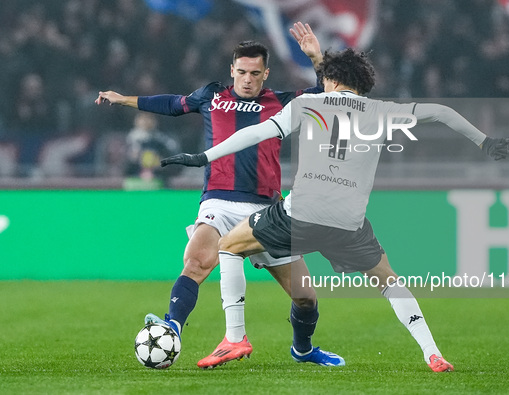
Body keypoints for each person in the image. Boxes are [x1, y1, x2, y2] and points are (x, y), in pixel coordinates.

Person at [160, 48, 509, 372]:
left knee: (228, 246)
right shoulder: (382, 111)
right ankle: (431, 352)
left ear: (331, 80)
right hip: (349, 224)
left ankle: (235, 338)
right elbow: (442, 112)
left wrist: (203, 157)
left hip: (301, 215)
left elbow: (256, 134)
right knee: (389, 280)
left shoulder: (311, 104)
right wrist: (485, 141)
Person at [96, 23, 345, 368]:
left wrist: (317, 58)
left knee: (305, 297)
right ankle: (172, 327)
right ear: (232, 70)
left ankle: (302, 349)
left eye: (255, 73)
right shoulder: (212, 96)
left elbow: (329, 95)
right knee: (196, 261)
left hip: (267, 209)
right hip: (219, 201)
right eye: (241, 71)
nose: (247, 79)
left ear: (265, 73)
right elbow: (173, 104)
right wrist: (124, 99)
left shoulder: (283, 103)